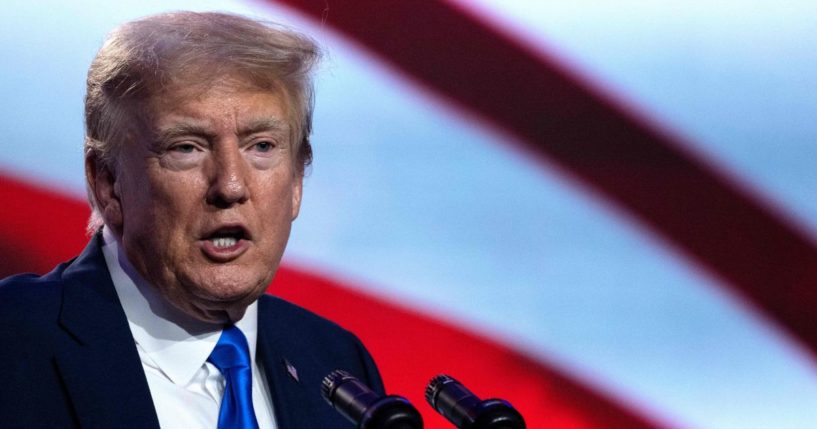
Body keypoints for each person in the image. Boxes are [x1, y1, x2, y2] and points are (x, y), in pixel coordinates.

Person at [0, 11, 383, 428]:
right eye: (186, 148)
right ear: (108, 183)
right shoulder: (14, 341)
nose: (231, 185)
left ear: (296, 181)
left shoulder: (336, 363)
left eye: (262, 146)